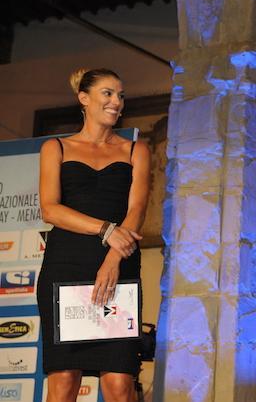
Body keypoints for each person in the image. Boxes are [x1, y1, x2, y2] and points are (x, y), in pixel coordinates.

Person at [38, 68, 150, 402]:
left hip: (119, 267)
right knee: (64, 382)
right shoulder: (56, 147)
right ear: (84, 98)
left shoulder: (135, 150)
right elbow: (50, 209)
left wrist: (114, 258)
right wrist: (106, 230)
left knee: (119, 384)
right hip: (66, 267)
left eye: (120, 96)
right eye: (108, 93)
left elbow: (137, 210)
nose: (117, 102)